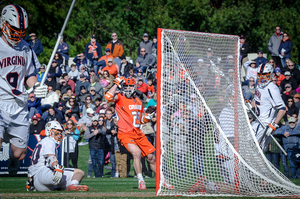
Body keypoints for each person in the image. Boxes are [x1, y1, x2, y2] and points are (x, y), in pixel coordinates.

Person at [0, 4, 47, 161]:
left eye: (21, 32)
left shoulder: (26, 48)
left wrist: (37, 86)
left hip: (19, 105)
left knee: (20, 154)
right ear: (3, 24)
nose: (17, 36)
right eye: (14, 31)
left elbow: (30, 75)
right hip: (0, 102)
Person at [104, 77, 156, 189]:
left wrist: (147, 117)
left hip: (138, 133)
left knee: (151, 157)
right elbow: (107, 97)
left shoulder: (138, 100)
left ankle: (162, 180)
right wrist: (116, 84)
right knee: (136, 153)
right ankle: (141, 180)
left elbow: (141, 120)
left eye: (130, 86)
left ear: (134, 86)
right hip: (125, 133)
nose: (128, 88)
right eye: (126, 86)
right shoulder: (119, 97)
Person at [27, 121, 88, 191]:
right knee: (79, 172)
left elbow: (33, 166)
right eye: (57, 132)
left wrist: (31, 179)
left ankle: (61, 187)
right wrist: (57, 167)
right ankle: (73, 185)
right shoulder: (49, 141)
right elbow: (50, 156)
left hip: (36, 180)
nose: (59, 135)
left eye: (60, 132)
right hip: (44, 174)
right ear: (49, 131)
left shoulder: (41, 142)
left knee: (58, 184)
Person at [251, 63, 286, 151]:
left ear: (270, 75)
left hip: (264, 124)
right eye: (260, 75)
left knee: (254, 151)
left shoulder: (272, 88)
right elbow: (256, 102)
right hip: (257, 121)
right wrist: (248, 104)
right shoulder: (259, 86)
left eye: (264, 75)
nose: (262, 77)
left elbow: (282, 109)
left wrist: (273, 125)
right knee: (249, 149)